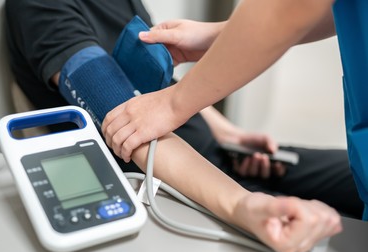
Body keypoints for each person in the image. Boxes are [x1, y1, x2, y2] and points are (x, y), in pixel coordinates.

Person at [5, 0, 345, 252]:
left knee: (353, 176)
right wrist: (241, 205)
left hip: (219, 155)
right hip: (174, 186)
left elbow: (164, 85)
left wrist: (227, 133)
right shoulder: (40, 8)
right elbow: (129, 126)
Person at [103, 0, 368, 220]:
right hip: (200, 169)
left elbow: (296, 6)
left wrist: (173, 103)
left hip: (210, 166)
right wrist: (226, 133)